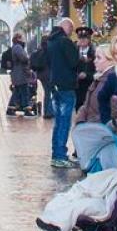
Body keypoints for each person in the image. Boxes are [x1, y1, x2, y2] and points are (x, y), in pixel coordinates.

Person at [41, 20, 82, 165]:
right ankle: (60, 156)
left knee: (58, 122)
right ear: (66, 26)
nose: (72, 30)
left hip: (55, 84)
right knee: (64, 121)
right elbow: (74, 62)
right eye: (71, 27)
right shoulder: (64, 41)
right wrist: (77, 52)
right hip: (66, 85)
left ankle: (56, 153)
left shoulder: (51, 41)